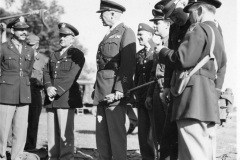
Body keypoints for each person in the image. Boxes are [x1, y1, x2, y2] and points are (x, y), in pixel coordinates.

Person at [155, 0, 227, 159]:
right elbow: (222, 63)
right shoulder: (213, 29)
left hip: (190, 98)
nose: (190, 15)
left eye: (192, 11)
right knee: (205, 150)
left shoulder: (197, 28)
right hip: (206, 97)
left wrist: (162, 51)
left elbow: (182, 58)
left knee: (192, 152)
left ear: (200, 10)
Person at [93, 0, 136, 159]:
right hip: (102, 91)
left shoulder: (126, 32)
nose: (100, 17)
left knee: (116, 137)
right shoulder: (108, 34)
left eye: (102, 13)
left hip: (114, 93)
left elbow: (128, 63)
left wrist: (119, 90)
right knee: (102, 137)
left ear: (112, 13)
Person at [43, 22, 85, 160]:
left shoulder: (77, 54)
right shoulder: (54, 54)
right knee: (52, 135)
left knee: (64, 133)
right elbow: (46, 72)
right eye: (60, 35)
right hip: (51, 98)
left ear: (72, 38)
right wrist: (48, 86)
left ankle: (66, 158)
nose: (61, 38)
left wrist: (57, 90)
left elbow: (72, 76)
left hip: (65, 98)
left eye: (65, 36)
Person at [0, 16, 35, 160]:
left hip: (24, 92)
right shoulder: (3, 47)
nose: (24, 32)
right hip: (6, 92)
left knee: (21, 130)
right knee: (2, 130)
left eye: (25, 30)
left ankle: (17, 157)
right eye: (20, 30)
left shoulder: (29, 50)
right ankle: (1, 156)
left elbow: (28, 71)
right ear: (12, 30)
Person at [146, 9, 178, 160]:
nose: (154, 26)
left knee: (170, 134)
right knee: (159, 132)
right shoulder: (158, 46)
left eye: (157, 23)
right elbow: (154, 73)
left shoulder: (173, 43)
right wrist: (148, 95)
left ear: (167, 24)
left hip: (168, 89)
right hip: (157, 89)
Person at [134, 23, 157, 160]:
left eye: (141, 34)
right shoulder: (139, 54)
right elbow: (136, 76)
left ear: (150, 35)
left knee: (154, 132)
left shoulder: (159, 51)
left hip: (154, 96)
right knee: (143, 132)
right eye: (138, 34)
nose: (138, 37)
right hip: (141, 97)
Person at [24, 34, 48, 152]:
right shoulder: (20, 56)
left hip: (35, 92)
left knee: (33, 120)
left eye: (31, 45)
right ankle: (14, 147)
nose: (28, 47)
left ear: (37, 45)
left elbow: (47, 78)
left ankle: (30, 147)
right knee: (17, 120)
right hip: (21, 90)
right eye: (27, 44)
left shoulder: (44, 59)